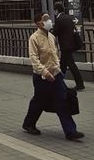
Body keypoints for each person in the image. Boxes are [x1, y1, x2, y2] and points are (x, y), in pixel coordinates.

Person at [22, 12, 84, 141]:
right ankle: (29, 123)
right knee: (39, 101)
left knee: (62, 101)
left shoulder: (51, 36)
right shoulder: (34, 38)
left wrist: (58, 70)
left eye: (48, 18)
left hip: (56, 75)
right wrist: (44, 72)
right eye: (45, 19)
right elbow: (34, 58)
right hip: (41, 77)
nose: (49, 20)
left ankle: (70, 131)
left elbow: (55, 55)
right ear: (38, 23)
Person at [53, 2, 85, 91]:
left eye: (54, 10)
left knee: (71, 65)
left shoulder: (59, 19)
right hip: (70, 44)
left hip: (65, 46)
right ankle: (58, 83)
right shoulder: (68, 18)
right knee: (63, 65)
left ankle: (80, 83)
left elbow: (55, 32)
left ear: (56, 10)